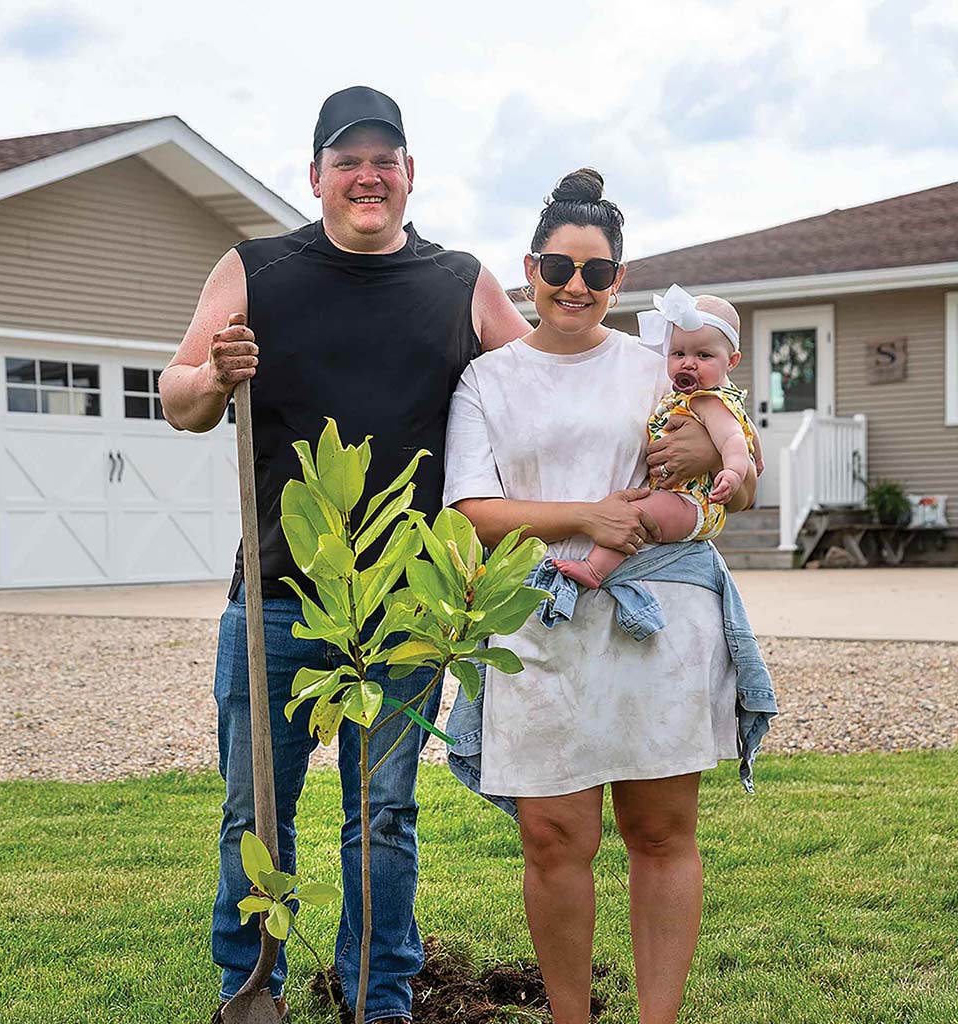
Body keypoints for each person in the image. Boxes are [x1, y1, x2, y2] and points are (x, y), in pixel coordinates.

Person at [159, 86, 528, 1024]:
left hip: (408, 604)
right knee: (257, 813)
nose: (369, 175)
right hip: (279, 597)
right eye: (348, 159)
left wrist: (695, 409)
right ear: (315, 173)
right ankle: (251, 987)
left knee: (384, 820)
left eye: (386, 158)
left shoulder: (462, 282)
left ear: (410, 175)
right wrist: (215, 374)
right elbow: (179, 399)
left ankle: (381, 997)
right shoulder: (254, 269)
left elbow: (543, 386)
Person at [443, 168, 773, 1024]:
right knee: (556, 840)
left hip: (656, 627)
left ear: (619, 281)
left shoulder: (656, 369)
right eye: (558, 268)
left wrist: (717, 462)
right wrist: (585, 516)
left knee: (660, 833)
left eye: (595, 272)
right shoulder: (488, 381)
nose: (575, 287)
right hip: (538, 621)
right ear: (529, 270)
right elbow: (473, 511)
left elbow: (738, 471)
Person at [553, 283, 755, 589]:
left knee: (631, 515)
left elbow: (733, 439)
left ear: (732, 362)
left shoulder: (709, 401)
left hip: (692, 502)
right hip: (678, 496)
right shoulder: (692, 395)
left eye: (703, 355)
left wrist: (733, 471)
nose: (688, 363)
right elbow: (746, 428)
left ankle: (595, 570)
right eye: (678, 353)